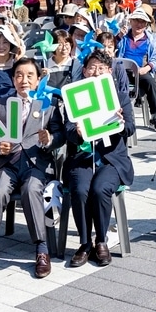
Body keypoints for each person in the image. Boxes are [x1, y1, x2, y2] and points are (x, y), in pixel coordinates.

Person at [0, 58, 63, 281]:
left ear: (38, 79)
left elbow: (61, 134)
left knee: (32, 190)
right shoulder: (1, 104)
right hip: (7, 163)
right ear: (13, 79)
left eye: (29, 76)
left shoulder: (48, 104)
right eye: (19, 76)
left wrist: (50, 138)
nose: (24, 80)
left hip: (36, 164)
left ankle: (41, 250)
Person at [61, 50, 135, 268]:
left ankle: (101, 240)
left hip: (111, 159)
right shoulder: (74, 97)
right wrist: (78, 132)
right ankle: (84, 244)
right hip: (83, 156)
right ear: (84, 71)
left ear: (110, 72)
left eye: (101, 68)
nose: (96, 72)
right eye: (91, 67)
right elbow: (67, 129)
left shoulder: (119, 97)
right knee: (81, 189)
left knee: (100, 188)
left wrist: (120, 122)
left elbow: (130, 128)